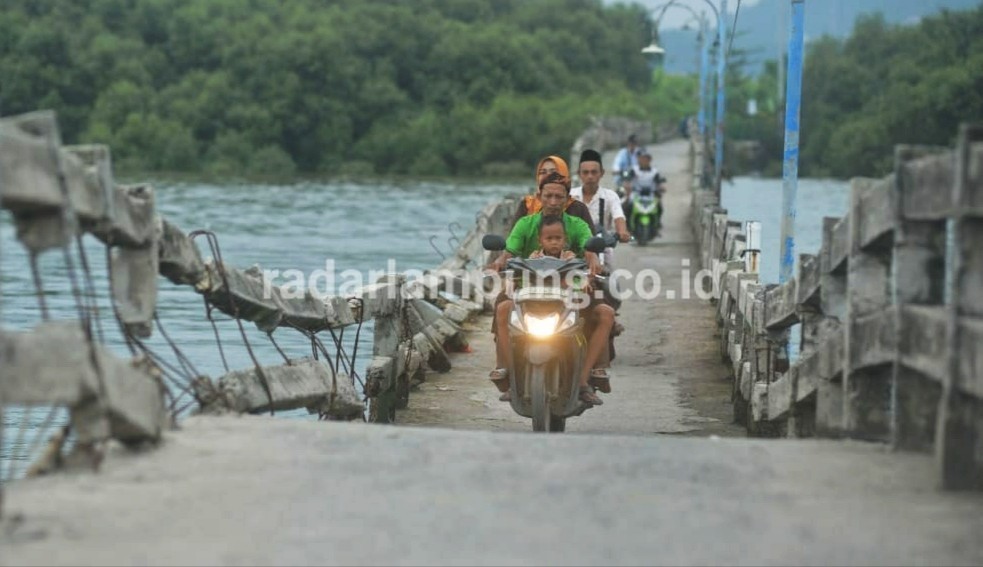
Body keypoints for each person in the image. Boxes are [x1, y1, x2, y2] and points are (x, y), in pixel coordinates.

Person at [487, 173, 610, 406]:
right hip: (526, 288)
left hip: (570, 290)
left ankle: (584, 381)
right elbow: (509, 251)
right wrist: (499, 262)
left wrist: (593, 260)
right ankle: (507, 371)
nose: (553, 202)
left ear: (567, 200)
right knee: (503, 308)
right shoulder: (525, 224)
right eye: (548, 196)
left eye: (559, 197)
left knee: (605, 313)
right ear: (539, 197)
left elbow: (589, 247)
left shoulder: (578, 225)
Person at [570, 148, 631, 269]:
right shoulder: (570, 196)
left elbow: (618, 216)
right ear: (579, 173)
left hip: (603, 249)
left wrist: (622, 232)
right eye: (585, 172)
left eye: (594, 172)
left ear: (601, 173)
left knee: (611, 284)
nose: (590, 176)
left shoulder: (610, 196)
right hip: (574, 250)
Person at [512, 155, 596, 234]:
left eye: (553, 172)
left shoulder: (578, 208)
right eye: (543, 172)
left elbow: (590, 242)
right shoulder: (528, 204)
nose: (548, 176)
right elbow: (513, 238)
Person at [627, 149, 667, 236]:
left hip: (650, 194)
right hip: (636, 194)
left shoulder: (654, 172)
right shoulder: (634, 170)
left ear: (650, 160)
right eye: (642, 158)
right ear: (639, 159)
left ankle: (657, 225)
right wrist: (627, 187)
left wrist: (661, 188)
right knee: (628, 206)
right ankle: (628, 227)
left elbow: (659, 183)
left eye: (646, 159)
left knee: (659, 207)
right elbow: (627, 181)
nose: (644, 161)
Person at [612, 134, 640, 205]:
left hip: (636, 181)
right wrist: (616, 170)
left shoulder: (639, 153)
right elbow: (617, 164)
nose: (632, 145)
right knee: (615, 199)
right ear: (628, 143)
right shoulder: (622, 154)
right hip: (623, 180)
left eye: (634, 143)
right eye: (631, 143)